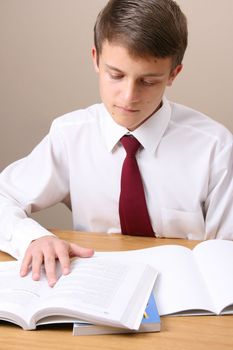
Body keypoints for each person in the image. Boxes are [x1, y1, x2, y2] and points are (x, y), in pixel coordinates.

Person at [0, 0, 233, 287]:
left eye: (148, 81)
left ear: (174, 74)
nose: (128, 96)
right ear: (96, 58)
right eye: (116, 75)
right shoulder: (71, 135)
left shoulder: (215, 148)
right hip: (97, 287)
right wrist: (33, 237)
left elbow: (227, 252)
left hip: (188, 298)